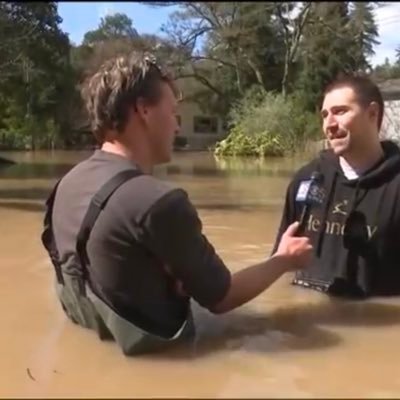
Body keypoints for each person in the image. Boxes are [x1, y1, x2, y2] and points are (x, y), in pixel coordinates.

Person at [41, 51, 312, 356]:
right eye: (173, 113)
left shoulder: (65, 184)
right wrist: (283, 260)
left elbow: (103, 266)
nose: (177, 126)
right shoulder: (157, 201)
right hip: (162, 366)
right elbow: (223, 298)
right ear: (144, 110)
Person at [272, 74, 400, 298]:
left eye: (340, 111)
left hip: (374, 324)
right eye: (324, 115)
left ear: (372, 113)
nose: (329, 124)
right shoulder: (305, 179)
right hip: (309, 324)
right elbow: (282, 263)